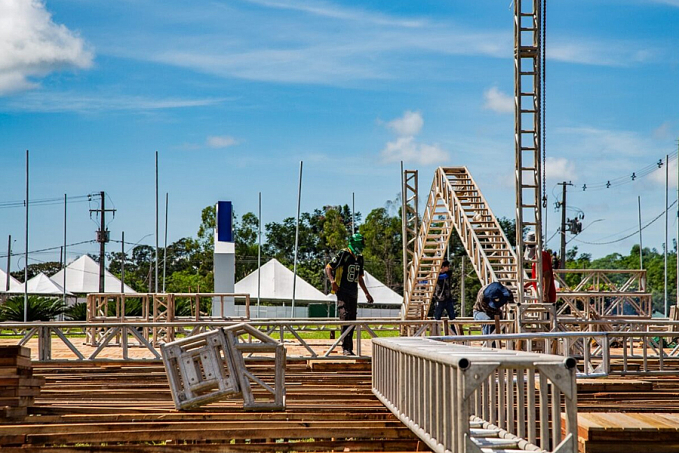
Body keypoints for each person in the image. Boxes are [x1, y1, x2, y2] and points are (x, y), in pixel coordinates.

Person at [325, 233, 374, 356]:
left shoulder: (360, 258)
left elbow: (360, 277)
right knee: (345, 317)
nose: (362, 245)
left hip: (353, 292)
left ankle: (349, 348)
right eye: (361, 243)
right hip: (342, 291)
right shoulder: (344, 254)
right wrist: (332, 281)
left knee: (352, 320)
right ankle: (345, 347)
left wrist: (366, 293)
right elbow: (328, 267)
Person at [524, 231, 557, 303]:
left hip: (544, 295)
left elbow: (547, 275)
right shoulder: (538, 256)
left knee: (545, 314)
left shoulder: (541, 257)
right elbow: (539, 276)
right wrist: (529, 283)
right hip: (540, 294)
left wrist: (545, 294)